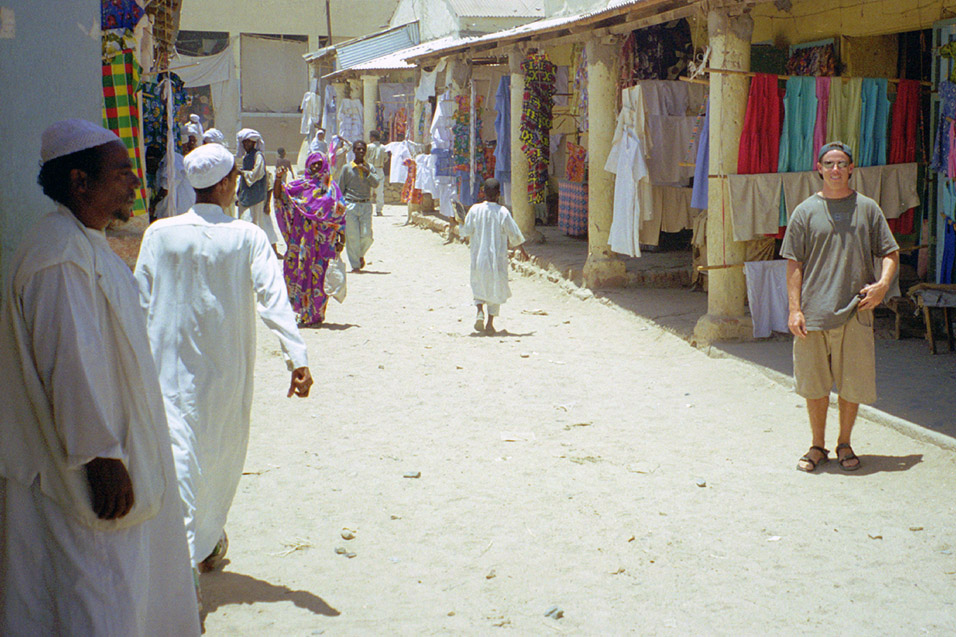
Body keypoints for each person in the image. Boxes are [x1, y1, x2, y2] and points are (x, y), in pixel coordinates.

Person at [0, 119, 200, 635]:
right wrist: (100, 456)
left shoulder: (80, 244)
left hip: (113, 457)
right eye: (121, 172)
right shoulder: (58, 256)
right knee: (98, 601)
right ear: (79, 182)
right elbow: (70, 363)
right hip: (88, 472)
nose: (134, 182)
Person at [134, 143, 313, 585]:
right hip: (225, 374)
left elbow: (136, 302)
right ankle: (187, 570)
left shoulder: (160, 233)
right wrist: (297, 357)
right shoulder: (247, 236)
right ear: (228, 183)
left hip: (166, 373)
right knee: (210, 460)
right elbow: (275, 298)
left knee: (186, 461)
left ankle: (204, 543)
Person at [781, 141, 899, 473]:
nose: (835, 169)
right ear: (818, 168)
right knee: (815, 385)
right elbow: (794, 264)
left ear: (851, 168)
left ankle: (844, 443)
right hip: (814, 312)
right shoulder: (804, 212)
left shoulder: (867, 209)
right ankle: (817, 446)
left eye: (841, 163)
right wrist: (794, 309)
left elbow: (890, 252)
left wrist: (882, 286)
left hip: (856, 312)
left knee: (852, 383)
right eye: (829, 163)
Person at [273, 152, 347, 326]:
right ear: (307, 165)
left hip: (322, 243)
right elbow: (280, 196)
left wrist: (341, 238)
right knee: (297, 272)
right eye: (313, 164)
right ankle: (299, 313)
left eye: (319, 164)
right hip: (300, 241)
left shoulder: (331, 188)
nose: (316, 167)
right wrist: (277, 179)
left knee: (319, 277)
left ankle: (316, 315)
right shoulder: (300, 186)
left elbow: (340, 214)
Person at [459, 178, 529, 334]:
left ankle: (479, 310)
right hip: (497, 260)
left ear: (483, 192)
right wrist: (523, 251)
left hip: (478, 258)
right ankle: (490, 324)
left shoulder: (475, 210)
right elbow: (514, 233)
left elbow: (465, 231)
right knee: (495, 289)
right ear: (499, 194)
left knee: (478, 284)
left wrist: (460, 222)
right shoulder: (503, 212)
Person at [337, 139, 381, 271]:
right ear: (353, 151)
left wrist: (367, 172)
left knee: (367, 236)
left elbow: (376, 183)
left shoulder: (370, 167)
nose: (361, 151)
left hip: (366, 205)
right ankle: (355, 265)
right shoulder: (347, 168)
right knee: (352, 237)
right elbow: (340, 188)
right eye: (358, 149)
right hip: (350, 205)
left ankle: (359, 254)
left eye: (363, 149)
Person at [236, 128, 279, 254]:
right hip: (245, 196)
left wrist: (242, 173)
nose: (246, 145)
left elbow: (257, 174)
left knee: (254, 224)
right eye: (244, 143)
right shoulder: (246, 157)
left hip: (256, 197)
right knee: (244, 223)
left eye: (248, 142)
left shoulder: (258, 156)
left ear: (254, 143)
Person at [366, 130, 386, 216]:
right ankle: (379, 210)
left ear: (373, 137)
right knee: (380, 191)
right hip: (380, 170)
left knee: (368, 191)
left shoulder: (368, 147)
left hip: (370, 169)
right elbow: (386, 158)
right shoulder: (383, 147)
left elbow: (364, 157)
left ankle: (368, 210)